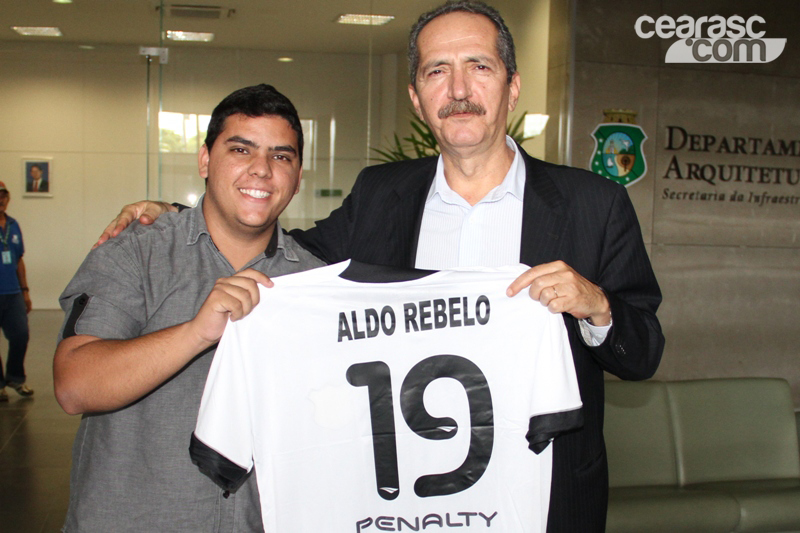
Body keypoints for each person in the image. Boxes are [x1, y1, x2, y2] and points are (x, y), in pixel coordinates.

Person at [98, 2, 664, 531]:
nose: (459, 90)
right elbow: (286, 255)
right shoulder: (380, 195)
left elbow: (644, 352)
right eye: (437, 71)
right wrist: (180, 216)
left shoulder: (593, 204)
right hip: (403, 503)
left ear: (512, 86)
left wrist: (598, 307)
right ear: (416, 97)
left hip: (539, 500)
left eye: (479, 67)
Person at [54, 84, 324, 532]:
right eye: (241, 149)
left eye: (281, 156)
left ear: (297, 179)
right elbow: (74, 385)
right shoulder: (135, 252)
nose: (261, 170)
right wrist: (196, 332)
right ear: (204, 161)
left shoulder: (315, 284)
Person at [0, 181, 33, 401]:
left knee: (21, 335)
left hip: (13, 293)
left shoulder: (13, 225)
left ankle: (15, 377)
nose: (0, 200)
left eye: (3, 195)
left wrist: (25, 291)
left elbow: (19, 259)